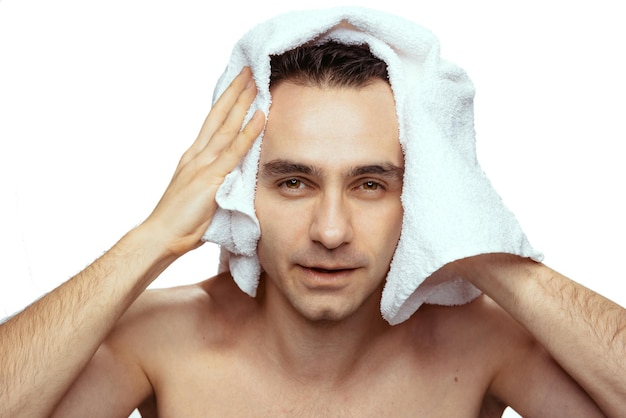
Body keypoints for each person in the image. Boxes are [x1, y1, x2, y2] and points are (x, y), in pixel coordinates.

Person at [1, 30, 624, 418]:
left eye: (371, 184)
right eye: (294, 182)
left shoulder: (486, 344)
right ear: (242, 192)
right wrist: (152, 239)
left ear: (426, 197)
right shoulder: (158, 341)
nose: (330, 231)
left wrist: (480, 246)